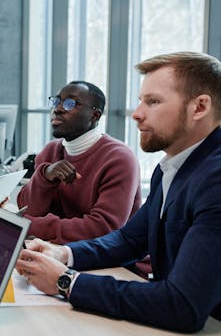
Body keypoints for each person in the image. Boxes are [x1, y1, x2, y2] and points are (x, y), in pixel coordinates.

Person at [16, 52, 221, 332]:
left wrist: (66, 281)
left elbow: (182, 306)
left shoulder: (216, 180)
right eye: (140, 100)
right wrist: (63, 254)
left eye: (153, 102)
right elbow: (128, 240)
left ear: (199, 107)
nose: (137, 113)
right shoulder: (170, 168)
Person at [17, 80, 142, 244]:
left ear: (94, 115)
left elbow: (104, 228)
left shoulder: (119, 159)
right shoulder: (50, 151)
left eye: (70, 103)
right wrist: (44, 177)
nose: (58, 109)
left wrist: (30, 226)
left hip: (115, 261)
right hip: (61, 250)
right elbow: (29, 209)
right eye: (56, 101)